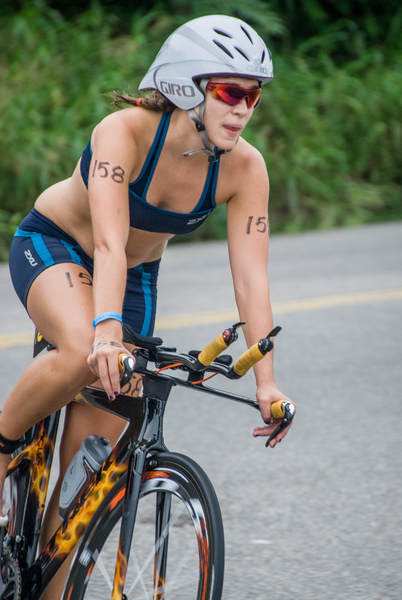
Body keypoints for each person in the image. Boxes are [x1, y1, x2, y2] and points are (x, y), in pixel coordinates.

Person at [1, 13, 295, 598]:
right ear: (188, 87)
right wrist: (107, 333)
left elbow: (252, 278)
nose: (243, 108)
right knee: (86, 350)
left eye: (253, 96)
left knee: (82, 483)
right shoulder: (125, 132)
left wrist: (267, 382)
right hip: (57, 244)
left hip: (132, 278)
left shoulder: (245, 168)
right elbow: (108, 241)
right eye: (230, 92)